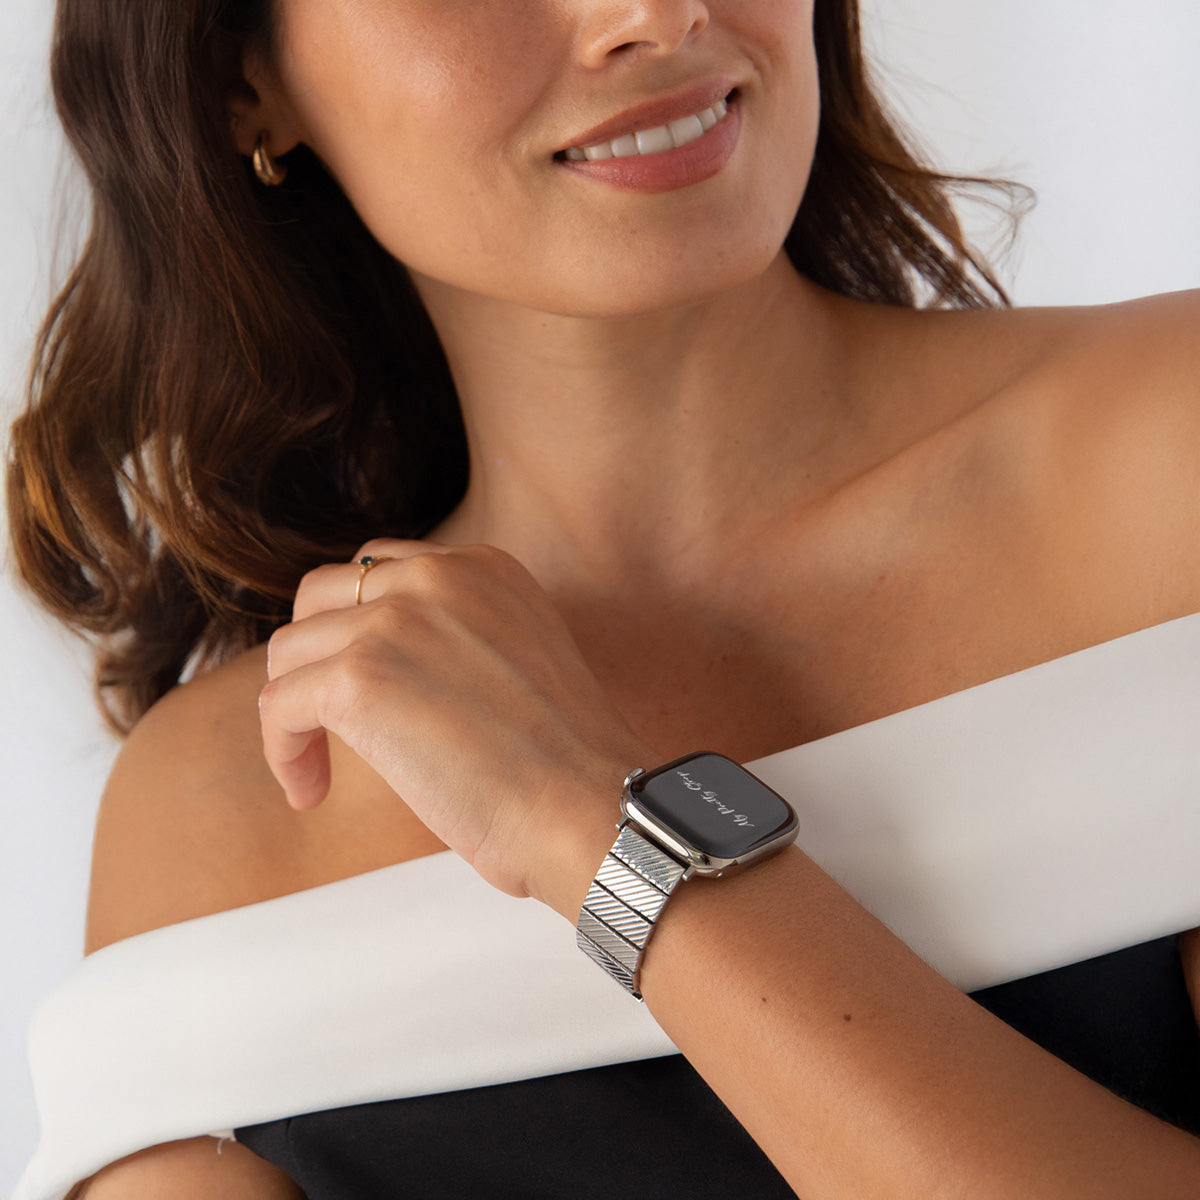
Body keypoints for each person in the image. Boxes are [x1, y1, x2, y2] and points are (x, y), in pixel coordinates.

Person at [7, 0, 1200, 1196]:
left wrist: (594, 826)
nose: (653, 14)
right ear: (241, 85)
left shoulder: (1171, 459)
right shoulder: (222, 810)